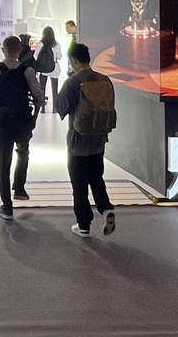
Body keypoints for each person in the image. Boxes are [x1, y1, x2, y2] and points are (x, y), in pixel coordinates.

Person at [56, 43, 118, 237]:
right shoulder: (104, 79)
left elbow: (61, 108)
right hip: (99, 140)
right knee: (96, 178)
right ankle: (105, 208)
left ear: (74, 60)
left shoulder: (73, 82)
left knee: (79, 184)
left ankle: (83, 224)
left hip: (78, 141)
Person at [0, 35, 44, 221]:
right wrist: (33, 118)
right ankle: (20, 187)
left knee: (3, 162)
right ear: (19, 50)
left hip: (2, 123)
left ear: (3, 50)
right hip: (23, 122)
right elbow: (38, 97)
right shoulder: (28, 71)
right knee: (23, 152)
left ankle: (7, 207)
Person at [34, 25, 61, 112]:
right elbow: (59, 57)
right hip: (54, 69)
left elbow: (35, 56)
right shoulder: (56, 44)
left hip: (43, 69)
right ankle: (54, 109)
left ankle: (42, 108)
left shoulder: (40, 44)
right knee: (55, 89)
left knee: (42, 89)